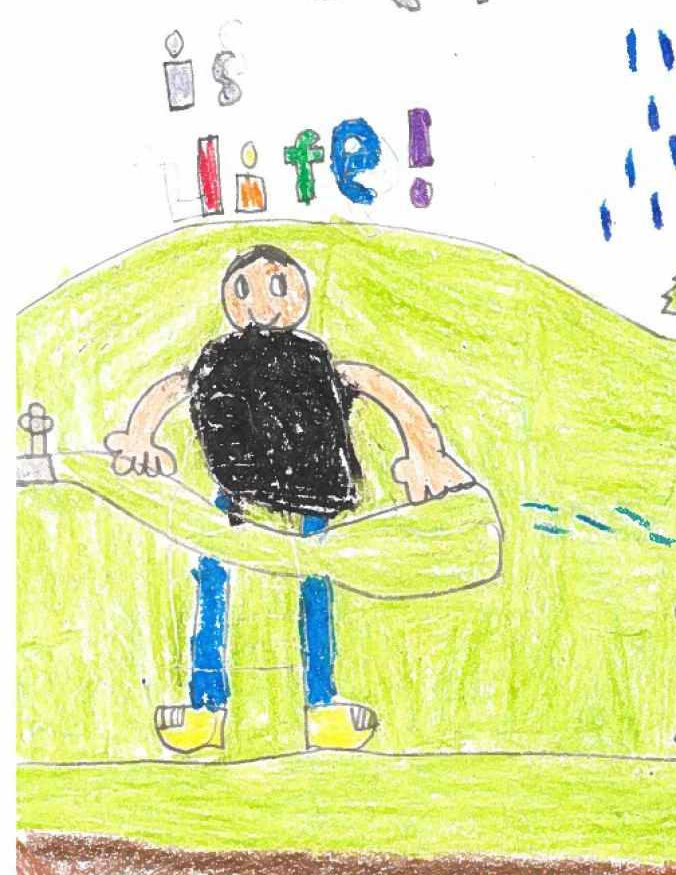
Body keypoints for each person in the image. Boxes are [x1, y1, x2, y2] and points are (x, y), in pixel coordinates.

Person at [104, 243, 475, 754]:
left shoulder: (315, 360)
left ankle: (320, 707)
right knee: (214, 583)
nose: (261, 303)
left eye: (277, 285)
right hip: (234, 496)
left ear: (300, 290)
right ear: (229, 297)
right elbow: (175, 388)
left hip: (312, 496)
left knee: (313, 587)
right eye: (245, 288)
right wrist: (139, 436)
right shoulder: (217, 359)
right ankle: (206, 709)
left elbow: (375, 384)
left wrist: (426, 450)